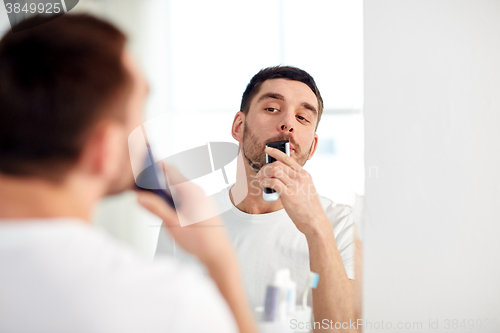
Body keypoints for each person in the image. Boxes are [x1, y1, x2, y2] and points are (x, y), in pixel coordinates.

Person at [0, 14, 257, 333]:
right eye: (138, 115)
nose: (146, 140)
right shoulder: (167, 304)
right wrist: (220, 260)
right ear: (104, 149)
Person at [156, 66, 362, 328]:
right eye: (272, 109)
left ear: (313, 147)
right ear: (239, 126)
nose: (287, 123)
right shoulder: (187, 221)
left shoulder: (340, 223)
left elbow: (344, 330)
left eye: (302, 117)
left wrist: (316, 228)